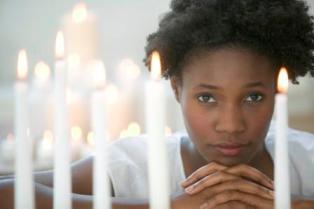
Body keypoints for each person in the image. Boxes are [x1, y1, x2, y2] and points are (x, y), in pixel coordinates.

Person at [1, 0, 314, 208]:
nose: (231, 125)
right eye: (206, 98)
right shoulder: (134, 165)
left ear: (277, 90)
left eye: (253, 97)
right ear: (177, 88)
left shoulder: (305, 158)